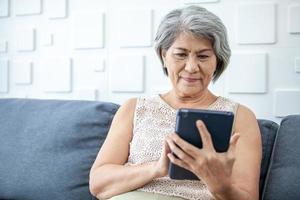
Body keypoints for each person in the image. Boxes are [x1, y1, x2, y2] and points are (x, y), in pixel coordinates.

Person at [89, 5, 262, 200]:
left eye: (203, 56)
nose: (191, 67)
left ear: (217, 61)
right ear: (164, 55)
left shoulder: (240, 117)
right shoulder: (133, 108)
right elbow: (99, 184)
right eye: (181, 54)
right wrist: (157, 168)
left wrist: (219, 184)